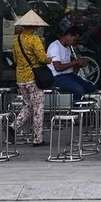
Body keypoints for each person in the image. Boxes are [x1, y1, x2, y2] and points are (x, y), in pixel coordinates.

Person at [8, 10, 50, 147]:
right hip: (33, 77)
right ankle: (37, 139)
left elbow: (15, 59)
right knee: (38, 108)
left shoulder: (16, 40)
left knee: (28, 105)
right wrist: (49, 59)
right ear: (35, 26)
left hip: (20, 77)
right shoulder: (35, 39)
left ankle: (13, 126)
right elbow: (42, 58)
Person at [47, 22, 90, 98]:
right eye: (74, 40)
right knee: (78, 90)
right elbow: (58, 68)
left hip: (69, 75)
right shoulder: (55, 46)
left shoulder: (68, 47)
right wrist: (75, 62)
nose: (74, 43)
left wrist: (79, 64)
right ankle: (73, 105)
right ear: (69, 35)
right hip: (57, 77)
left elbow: (69, 66)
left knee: (90, 87)